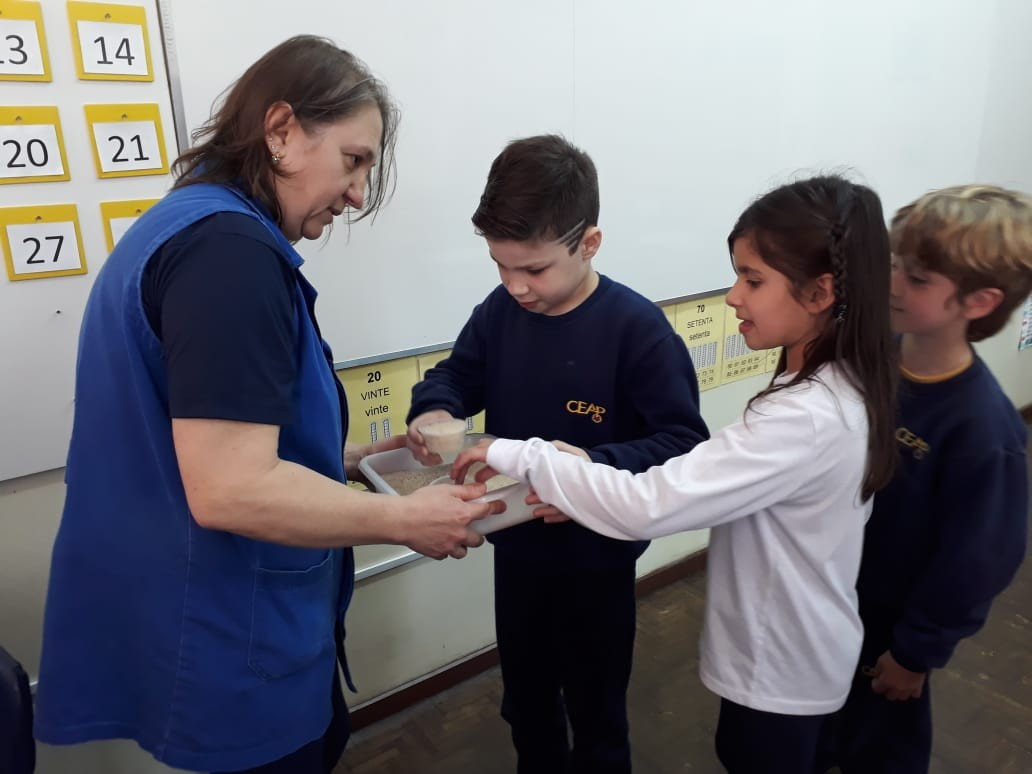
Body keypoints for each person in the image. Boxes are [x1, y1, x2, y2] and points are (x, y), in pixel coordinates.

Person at [33, 36, 499, 774]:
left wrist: (352, 458)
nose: (356, 194)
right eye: (353, 160)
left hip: (194, 615)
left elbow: (210, 437)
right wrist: (405, 520)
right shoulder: (228, 256)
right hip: (227, 633)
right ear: (280, 130)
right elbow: (232, 487)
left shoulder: (188, 226)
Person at [452, 175, 899, 774]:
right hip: (779, 648)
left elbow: (648, 501)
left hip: (777, 662)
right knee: (530, 703)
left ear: (820, 292)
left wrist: (517, 453)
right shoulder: (829, 388)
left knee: (607, 715)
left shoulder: (802, 416)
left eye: (752, 280)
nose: (732, 297)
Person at [405, 135, 709, 773]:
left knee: (597, 716)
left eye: (535, 269)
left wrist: (592, 467)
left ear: (589, 243)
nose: (515, 286)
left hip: (598, 561)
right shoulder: (501, 313)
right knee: (528, 704)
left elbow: (684, 445)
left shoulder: (637, 331)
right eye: (500, 265)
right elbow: (455, 375)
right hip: (516, 553)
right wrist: (434, 409)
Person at [833, 185, 1032, 773]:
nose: (892, 282)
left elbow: (978, 560)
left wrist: (916, 652)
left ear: (979, 301)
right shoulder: (872, 356)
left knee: (879, 743)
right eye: (894, 263)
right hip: (834, 592)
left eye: (916, 278)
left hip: (890, 629)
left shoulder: (984, 430)